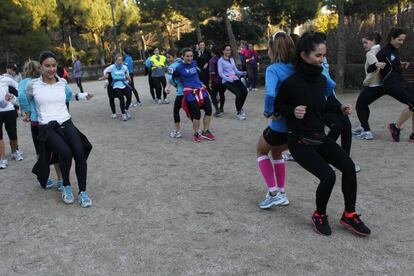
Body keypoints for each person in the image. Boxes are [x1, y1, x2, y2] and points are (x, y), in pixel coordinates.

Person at [275, 32, 371, 237]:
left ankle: (349, 214)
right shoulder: (291, 83)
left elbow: (322, 105)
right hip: (299, 141)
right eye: (318, 56)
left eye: (323, 55)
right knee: (328, 175)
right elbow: (278, 106)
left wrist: (339, 109)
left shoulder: (320, 80)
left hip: (319, 136)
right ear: (303, 55)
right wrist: (291, 110)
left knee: (348, 167)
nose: (322, 59)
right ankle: (319, 215)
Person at [26, 51, 93, 207]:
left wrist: (83, 96)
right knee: (65, 153)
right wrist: (25, 111)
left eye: (54, 65)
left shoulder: (62, 82)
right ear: (40, 68)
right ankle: (66, 186)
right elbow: (26, 100)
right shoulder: (32, 85)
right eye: (47, 66)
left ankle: (83, 192)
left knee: (80, 153)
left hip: (66, 122)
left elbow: (69, 96)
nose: (51, 69)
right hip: (47, 127)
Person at [257, 31, 295, 209]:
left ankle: (273, 193)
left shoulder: (273, 69)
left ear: (272, 49)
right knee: (277, 152)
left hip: (279, 124)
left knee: (261, 151)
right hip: (296, 125)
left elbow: (270, 93)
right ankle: (282, 192)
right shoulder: (298, 67)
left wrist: (268, 111)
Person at [19, 60, 64, 189]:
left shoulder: (24, 82)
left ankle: (45, 178)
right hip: (50, 120)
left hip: (36, 122)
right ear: (40, 68)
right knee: (57, 150)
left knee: (41, 151)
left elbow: (22, 97)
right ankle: (60, 179)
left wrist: (27, 112)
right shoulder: (42, 81)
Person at [375, 28, 414, 142]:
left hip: (400, 82)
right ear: (392, 38)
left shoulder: (395, 51)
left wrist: (401, 64)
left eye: (403, 40)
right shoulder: (383, 52)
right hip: (391, 85)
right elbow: (375, 66)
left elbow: (391, 65)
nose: (401, 43)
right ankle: (395, 127)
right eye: (399, 40)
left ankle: (413, 134)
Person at [173, 48, 215, 143]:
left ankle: (205, 131)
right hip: (189, 92)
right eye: (187, 56)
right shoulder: (178, 68)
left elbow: (196, 75)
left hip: (201, 89)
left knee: (209, 110)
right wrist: (175, 87)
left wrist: (201, 83)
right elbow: (172, 79)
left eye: (191, 56)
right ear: (183, 56)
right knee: (197, 114)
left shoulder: (194, 63)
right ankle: (196, 133)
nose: (189, 58)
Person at [352, 32, 385, 140]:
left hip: (373, 85)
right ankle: (363, 127)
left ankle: (367, 131)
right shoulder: (381, 50)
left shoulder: (370, 53)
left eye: (366, 42)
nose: (364, 45)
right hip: (380, 85)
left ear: (373, 41)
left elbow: (376, 67)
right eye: (363, 43)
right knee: (364, 105)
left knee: (359, 106)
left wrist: (366, 81)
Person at [218, 44, 248, 120]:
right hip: (226, 80)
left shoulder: (231, 59)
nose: (229, 51)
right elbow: (220, 73)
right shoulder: (220, 61)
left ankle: (240, 107)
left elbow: (235, 71)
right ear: (223, 51)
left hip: (235, 79)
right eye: (227, 50)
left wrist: (242, 73)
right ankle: (238, 113)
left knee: (245, 91)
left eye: (229, 50)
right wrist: (228, 79)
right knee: (238, 94)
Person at [101, 54, 132, 121]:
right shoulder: (112, 67)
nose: (120, 61)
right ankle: (123, 114)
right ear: (115, 61)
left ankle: (126, 110)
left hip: (123, 84)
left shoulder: (124, 67)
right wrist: (105, 79)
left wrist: (128, 78)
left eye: (121, 60)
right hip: (116, 85)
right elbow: (105, 71)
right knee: (121, 98)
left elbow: (127, 74)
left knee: (129, 96)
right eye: (118, 60)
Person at [0, 74, 22, 169]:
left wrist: (13, 96)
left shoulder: (5, 79)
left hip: (9, 110)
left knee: (13, 134)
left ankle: (14, 152)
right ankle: (2, 159)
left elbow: (18, 86)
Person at [165, 49, 184, 138]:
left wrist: (169, 88)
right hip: (191, 91)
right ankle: (197, 131)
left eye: (169, 57)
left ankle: (177, 131)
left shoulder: (171, 67)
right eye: (167, 57)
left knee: (176, 111)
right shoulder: (184, 62)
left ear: (174, 56)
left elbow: (171, 79)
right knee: (192, 111)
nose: (168, 59)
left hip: (181, 92)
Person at [208, 45, 226, 117]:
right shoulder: (223, 59)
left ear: (212, 52)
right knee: (222, 94)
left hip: (215, 80)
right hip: (223, 80)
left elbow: (212, 72)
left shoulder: (212, 60)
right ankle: (221, 108)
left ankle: (217, 109)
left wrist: (210, 81)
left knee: (213, 95)